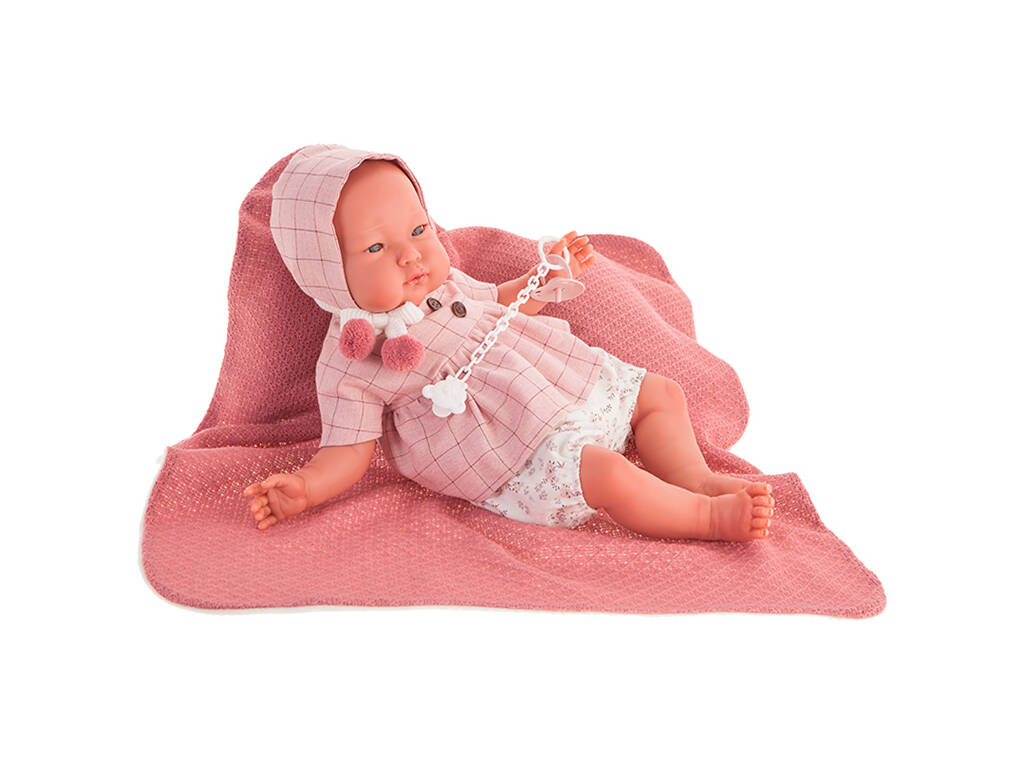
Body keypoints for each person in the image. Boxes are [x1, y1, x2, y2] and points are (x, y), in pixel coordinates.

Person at [244, 144, 774, 540]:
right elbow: (348, 450)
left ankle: (695, 479)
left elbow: (499, 304)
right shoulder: (352, 361)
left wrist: (544, 278)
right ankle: (706, 517)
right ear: (327, 272)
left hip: (554, 388)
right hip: (508, 455)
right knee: (607, 474)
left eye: (419, 231)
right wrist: (307, 487)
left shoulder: (448, 286)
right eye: (377, 248)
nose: (411, 256)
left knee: (662, 394)